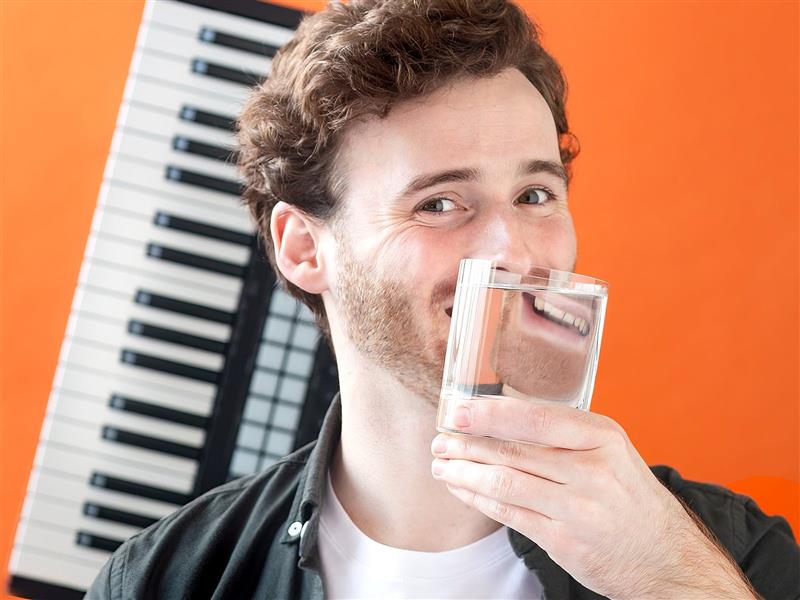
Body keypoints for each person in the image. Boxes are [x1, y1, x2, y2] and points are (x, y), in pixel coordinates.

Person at [86, 1, 799, 598]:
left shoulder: (737, 557)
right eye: (439, 203)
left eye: (534, 194)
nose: (514, 253)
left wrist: (672, 579)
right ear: (304, 248)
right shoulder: (159, 582)